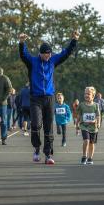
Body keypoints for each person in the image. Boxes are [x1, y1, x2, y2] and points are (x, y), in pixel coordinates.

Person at [19, 31, 79, 164]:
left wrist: (74, 40)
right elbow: (24, 55)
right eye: (45, 54)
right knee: (36, 124)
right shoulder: (33, 61)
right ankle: (36, 148)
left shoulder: (52, 60)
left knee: (48, 127)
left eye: (49, 54)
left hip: (49, 98)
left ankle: (48, 155)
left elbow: (66, 53)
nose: (47, 56)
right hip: (35, 98)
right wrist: (22, 43)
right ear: (40, 53)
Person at [76, 87, 100, 165]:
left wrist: (98, 123)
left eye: (88, 94)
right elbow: (79, 115)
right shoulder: (81, 105)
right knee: (86, 140)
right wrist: (77, 125)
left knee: (92, 143)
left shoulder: (96, 105)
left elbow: (98, 115)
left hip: (93, 127)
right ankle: (84, 156)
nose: (86, 95)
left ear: (93, 96)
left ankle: (90, 157)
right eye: (85, 93)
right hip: (84, 126)